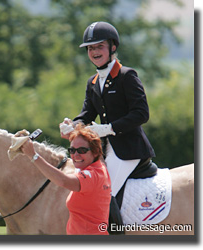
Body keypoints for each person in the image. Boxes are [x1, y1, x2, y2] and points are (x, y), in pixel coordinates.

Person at [60, 21, 156, 198]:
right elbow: (87, 114)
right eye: (90, 48)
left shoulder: (127, 76)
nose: (95, 52)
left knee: (103, 193)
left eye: (100, 47)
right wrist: (72, 125)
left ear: (112, 47)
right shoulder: (93, 82)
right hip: (104, 150)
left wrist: (109, 128)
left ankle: (113, 227)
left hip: (128, 151)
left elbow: (141, 114)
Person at [21, 124, 111, 235]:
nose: (76, 155)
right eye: (72, 150)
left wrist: (33, 156)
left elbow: (63, 181)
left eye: (82, 150)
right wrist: (75, 135)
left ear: (95, 152)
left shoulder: (91, 175)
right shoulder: (99, 167)